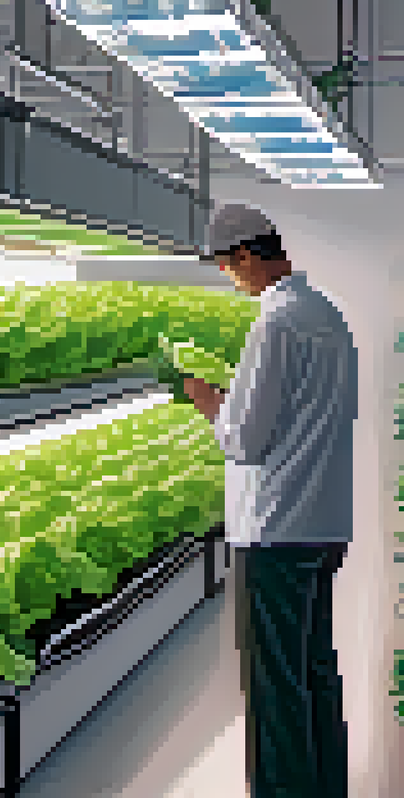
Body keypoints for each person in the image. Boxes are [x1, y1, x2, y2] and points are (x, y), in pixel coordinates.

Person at [182, 203, 358, 798]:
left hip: (276, 529)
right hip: (324, 521)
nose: (233, 279)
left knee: (275, 684)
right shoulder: (327, 315)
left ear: (249, 257)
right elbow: (301, 414)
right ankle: (323, 786)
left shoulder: (275, 323)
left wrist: (209, 401)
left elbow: (244, 440)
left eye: (230, 268)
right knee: (313, 669)